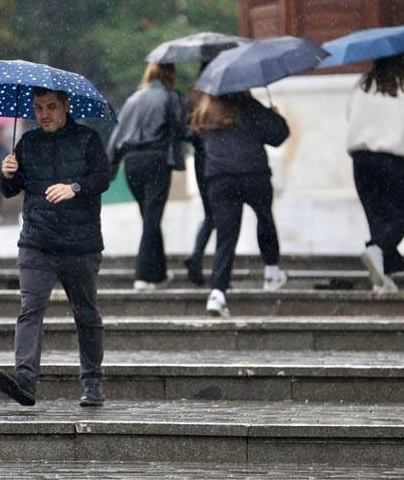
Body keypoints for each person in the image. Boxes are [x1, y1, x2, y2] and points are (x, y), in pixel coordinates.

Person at [0, 87, 111, 408]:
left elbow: (103, 177)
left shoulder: (88, 139)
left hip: (81, 245)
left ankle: (92, 381)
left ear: (65, 106)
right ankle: (25, 380)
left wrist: (74, 187)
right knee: (30, 310)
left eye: (51, 107)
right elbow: (10, 191)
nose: (43, 114)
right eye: (38, 107)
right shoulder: (27, 143)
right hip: (37, 243)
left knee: (85, 313)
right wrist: (6, 174)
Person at [192, 91, 290, 317]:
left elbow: (201, 142)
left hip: (220, 177)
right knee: (264, 217)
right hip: (253, 172)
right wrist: (275, 116)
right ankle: (271, 271)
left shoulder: (206, 111)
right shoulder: (249, 105)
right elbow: (279, 135)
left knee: (226, 237)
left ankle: (217, 293)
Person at [345, 54, 404, 292]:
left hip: (361, 159)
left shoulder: (362, 85)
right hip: (392, 160)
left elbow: (349, 116)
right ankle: (377, 250)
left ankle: (387, 274)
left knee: (377, 217)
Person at [107, 62, 188, 291]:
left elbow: (117, 135)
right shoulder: (171, 97)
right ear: (170, 74)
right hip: (157, 160)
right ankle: (143, 275)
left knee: (149, 217)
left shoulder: (133, 99)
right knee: (152, 218)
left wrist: (110, 167)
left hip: (132, 163)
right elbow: (182, 128)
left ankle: (159, 273)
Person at [184, 82, 214, 286]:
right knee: (224, 216)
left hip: (200, 161)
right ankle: (218, 268)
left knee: (211, 214)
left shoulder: (194, 98)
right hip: (218, 160)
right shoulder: (223, 98)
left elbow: (186, 132)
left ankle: (196, 256)